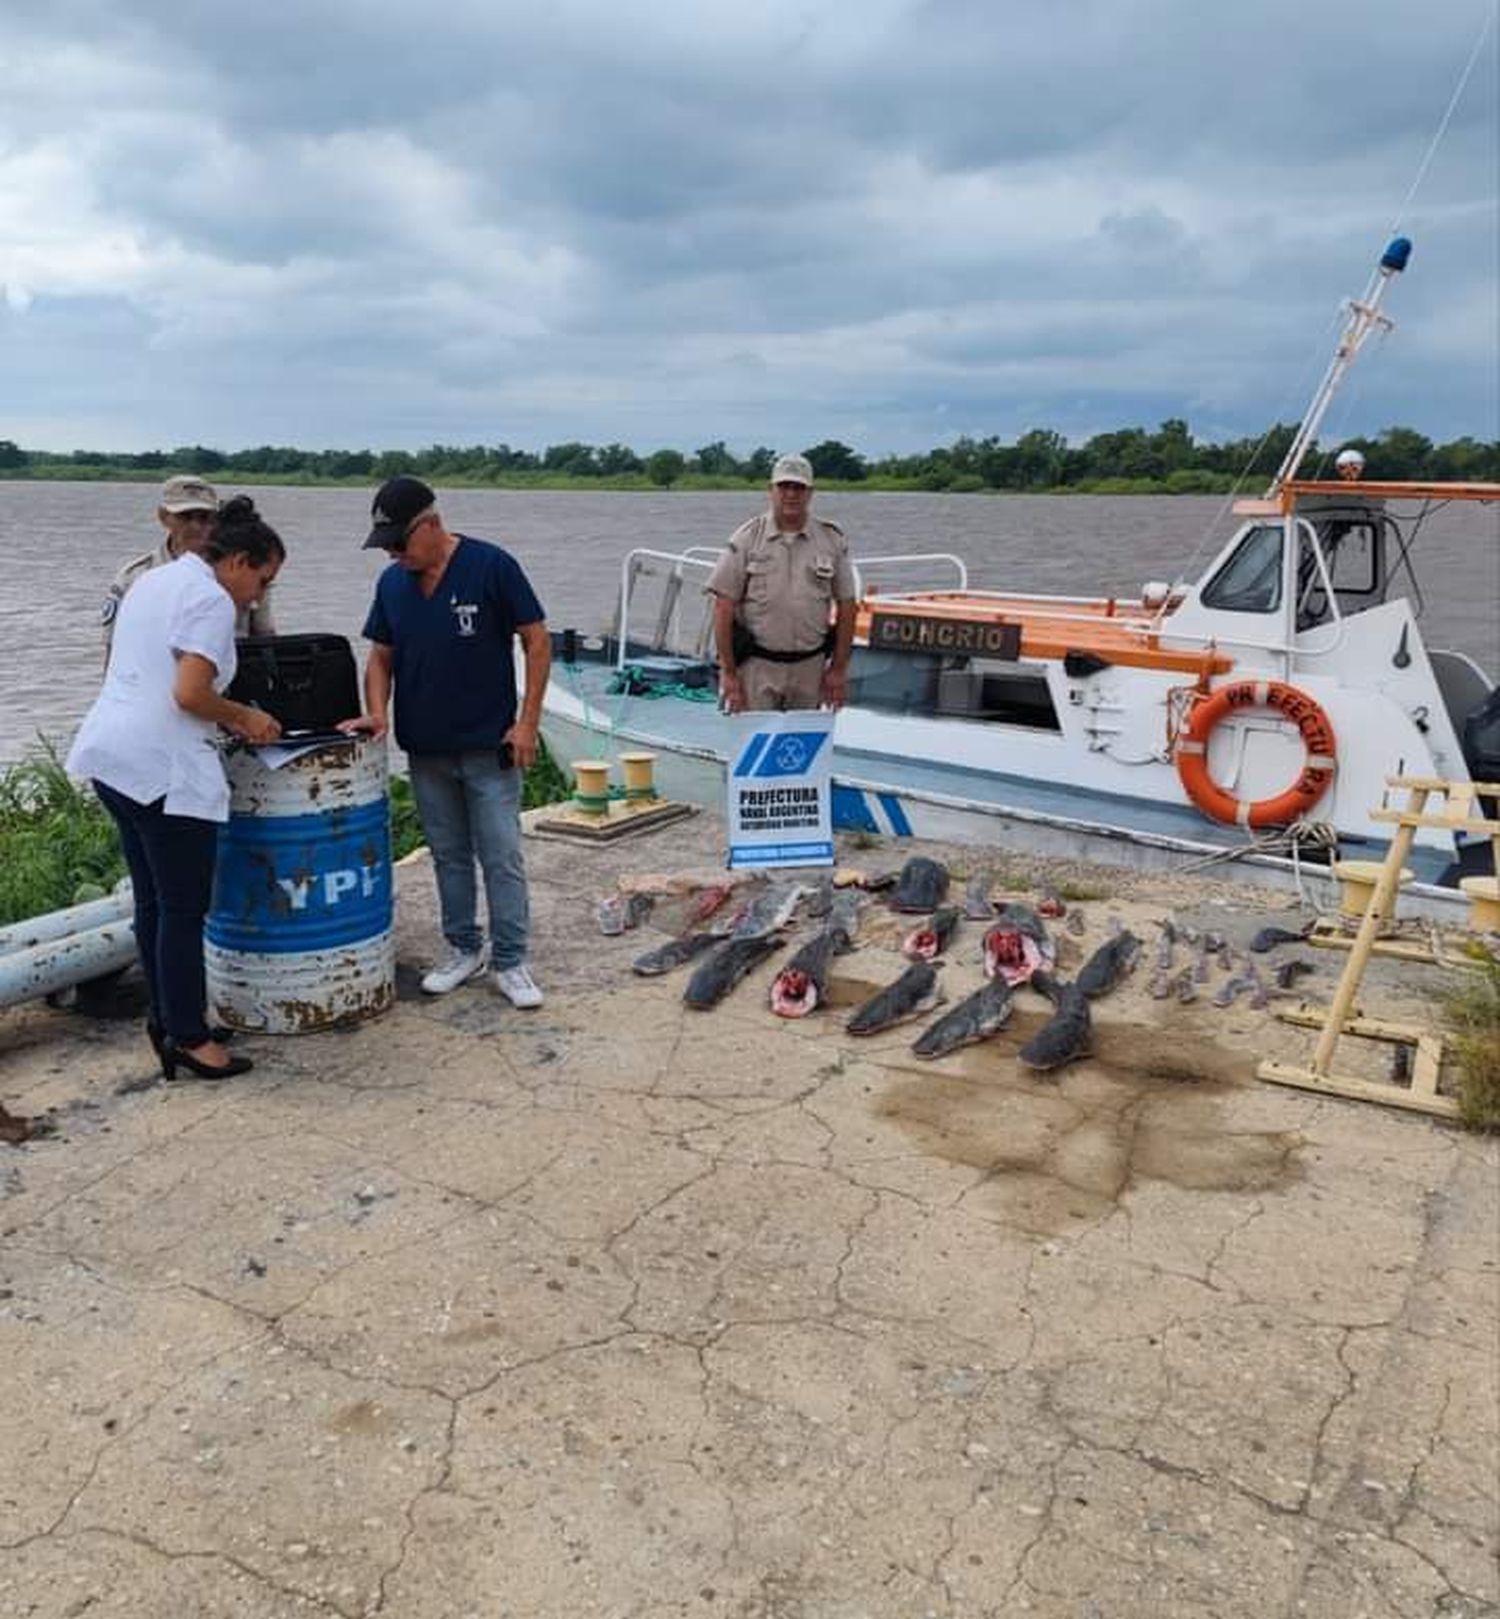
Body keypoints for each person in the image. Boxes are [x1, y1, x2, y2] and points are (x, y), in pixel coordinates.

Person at [67, 496, 285, 1081]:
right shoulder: (210, 599)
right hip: (162, 771)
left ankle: (167, 1020)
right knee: (186, 908)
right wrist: (246, 718)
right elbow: (189, 695)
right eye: (261, 579)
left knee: (153, 902)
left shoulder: (155, 581)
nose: (258, 596)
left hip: (113, 758)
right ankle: (190, 1039)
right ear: (239, 560)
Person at [344, 476, 551, 1006]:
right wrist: (376, 714)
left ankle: (511, 959)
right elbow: (380, 656)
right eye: (385, 545)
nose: (393, 553)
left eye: (399, 542)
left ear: (431, 525)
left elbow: (536, 639)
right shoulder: (393, 585)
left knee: (501, 854)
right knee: (447, 855)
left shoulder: (491, 566)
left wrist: (527, 723)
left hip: (489, 746)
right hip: (427, 749)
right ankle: (463, 947)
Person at [706, 453, 858, 712]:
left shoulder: (831, 540)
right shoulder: (746, 539)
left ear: (810, 493)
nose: (791, 494)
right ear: (771, 490)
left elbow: (847, 606)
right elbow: (723, 606)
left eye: (799, 487)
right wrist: (729, 673)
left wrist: (838, 670)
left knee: (801, 750)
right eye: (784, 486)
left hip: (810, 671)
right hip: (757, 670)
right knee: (754, 748)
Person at [101, 475, 278, 657]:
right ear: (163, 517)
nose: (195, 526)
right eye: (185, 517)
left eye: (204, 517)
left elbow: (266, 640)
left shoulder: (241, 573)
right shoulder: (135, 577)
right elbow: (113, 650)